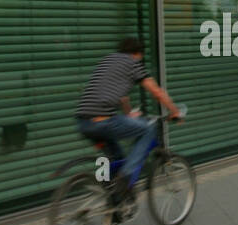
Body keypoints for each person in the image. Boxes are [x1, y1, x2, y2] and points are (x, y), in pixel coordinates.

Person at [75, 37, 182, 201]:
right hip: (103, 120)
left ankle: (112, 200)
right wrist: (175, 111)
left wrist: (129, 114)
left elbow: (122, 97)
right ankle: (126, 177)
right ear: (138, 54)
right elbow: (157, 92)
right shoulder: (132, 63)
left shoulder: (108, 60)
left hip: (83, 121)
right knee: (149, 129)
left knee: (117, 158)